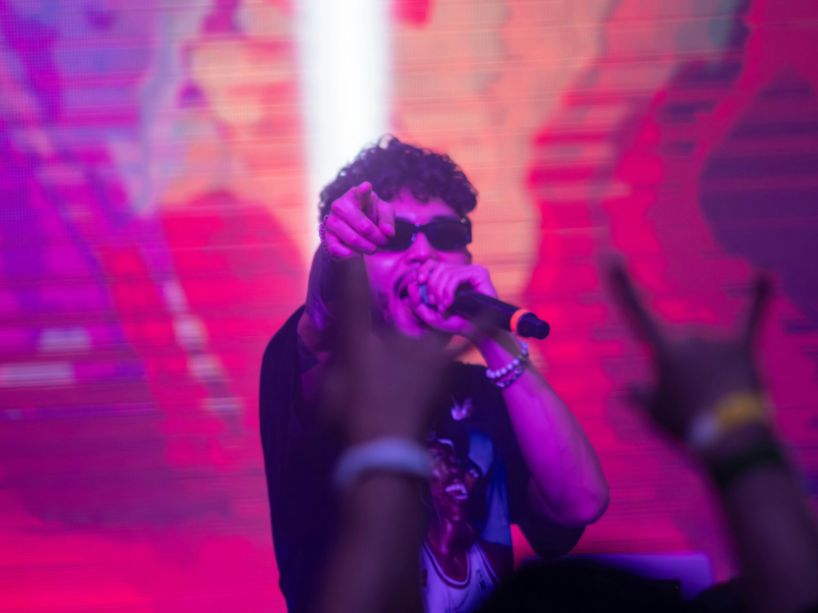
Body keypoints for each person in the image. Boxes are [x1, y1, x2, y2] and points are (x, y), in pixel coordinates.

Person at [259, 136, 609, 613]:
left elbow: (580, 503)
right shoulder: (325, 376)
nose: (423, 253)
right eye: (394, 238)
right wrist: (336, 252)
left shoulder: (485, 396)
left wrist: (496, 339)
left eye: (444, 236)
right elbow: (323, 313)